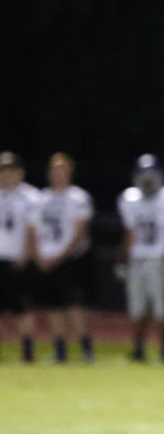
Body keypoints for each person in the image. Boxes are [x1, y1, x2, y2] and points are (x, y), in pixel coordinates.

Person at [117, 154, 164, 362]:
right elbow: (129, 232)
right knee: (137, 308)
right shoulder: (130, 198)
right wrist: (123, 260)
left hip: (158, 260)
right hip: (137, 260)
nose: (147, 180)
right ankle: (139, 348)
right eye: (144, 176)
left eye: (151, 175)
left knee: (162, 308)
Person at [32, 152, 95, 363]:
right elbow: (32, 230)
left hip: (70, 259)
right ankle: (60, 351)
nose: (58, 173)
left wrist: (61, 256)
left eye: (62, 169)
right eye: (54, 169)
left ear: (70, 171)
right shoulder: (41, 198)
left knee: (75, 306)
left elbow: (80, 232)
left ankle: (86, 351)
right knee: (54, 306)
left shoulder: (78, 197)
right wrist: (39, 256)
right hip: (46, 258)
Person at [0, 151, 39, 363]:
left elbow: (33, 230)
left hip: (19, 260)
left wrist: (26, 256)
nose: (6, 175)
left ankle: (27, 351)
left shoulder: (31, 196)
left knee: (24, 309)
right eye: (2, 170)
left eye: (10, 170)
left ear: (19, 172)